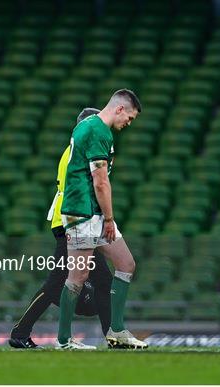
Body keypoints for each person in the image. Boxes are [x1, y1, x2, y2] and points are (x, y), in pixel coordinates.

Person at [9, 108, 113, 349]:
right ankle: (20, 332)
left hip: (70, 222)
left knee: (102, 280)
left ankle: (112, 336)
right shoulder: (78, 153)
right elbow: (79, 193)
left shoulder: (73, 151)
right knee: (57, 283)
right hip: (71, 223)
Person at [58, 89, 148, 350]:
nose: (128, 124)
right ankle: (64, 340)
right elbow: (100, 181)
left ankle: (117, 331)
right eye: (129, 118)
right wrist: (109, 218)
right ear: (119, 109)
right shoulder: (99, 131)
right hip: (83, 211)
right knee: (78, 276)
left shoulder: (88, 125)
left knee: (126, 263)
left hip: (93, 212)